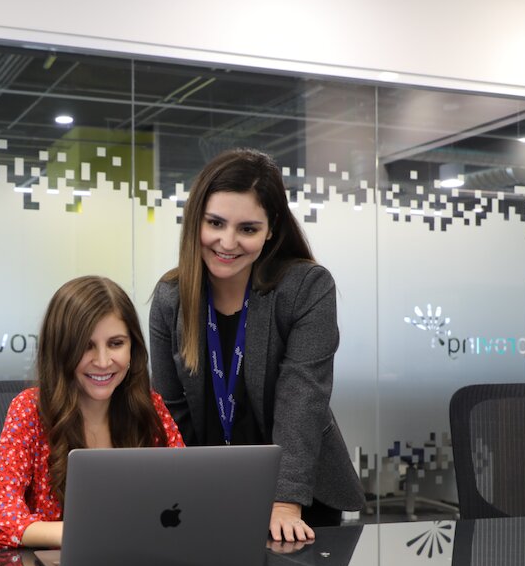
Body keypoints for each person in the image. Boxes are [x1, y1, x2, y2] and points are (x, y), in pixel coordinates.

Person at [149, 149, 364, 544]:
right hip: (207, 493)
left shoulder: (306, 287)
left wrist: (285, 501)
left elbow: (303, 397)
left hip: (299, 497)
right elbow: (170, 409)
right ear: (196, 220)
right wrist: (181, 495)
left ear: (271, 229)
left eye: (247, 228)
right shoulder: (171, 297)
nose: (227, 242)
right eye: (215, 223)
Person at [0, 276, 184, 548]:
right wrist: (82, 534)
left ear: (132, 347)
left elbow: (187, 497)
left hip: (142, 562)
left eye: (116, 343)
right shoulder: (30, 410)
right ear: (60, 349)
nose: (103, 361)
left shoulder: (150, 406)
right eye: (87, 346)